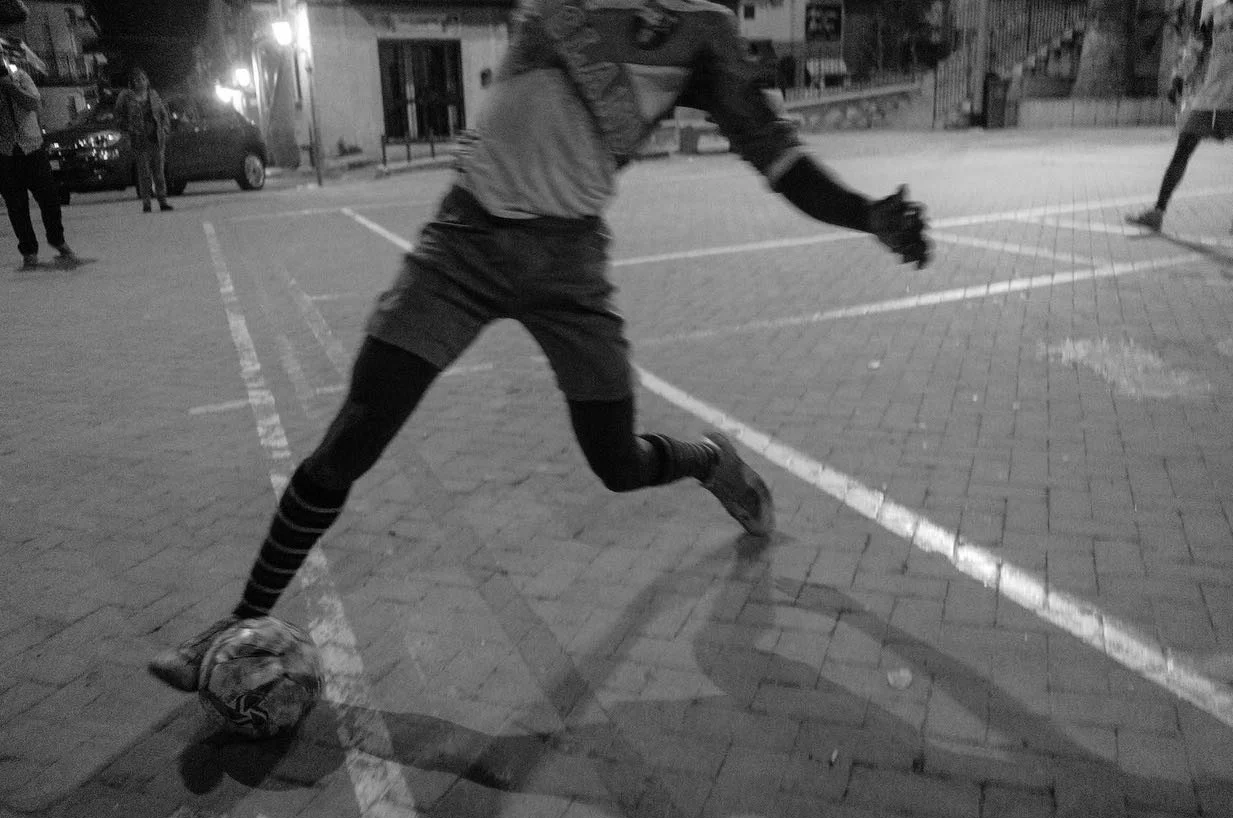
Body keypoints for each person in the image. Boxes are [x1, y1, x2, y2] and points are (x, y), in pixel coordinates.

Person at [148, 0, 931, 691]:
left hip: (569, 264)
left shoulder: (704, 30)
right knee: (351, 438)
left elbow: (782, 163)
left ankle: (708, 460)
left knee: (617, 464)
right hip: (462, 244)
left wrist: (870, 216)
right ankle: (233, 626)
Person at [1127, 0, 1233, 233]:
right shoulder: (1215, 15)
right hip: (1214, 92)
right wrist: (1179, 77)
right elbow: (1196, 46)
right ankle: (1157, 212)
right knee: (1184, 145)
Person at [0, 40, 75, 268]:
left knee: (49, 199)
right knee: (16, 205)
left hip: (32, 148)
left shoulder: (20, 76)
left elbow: (33, 103)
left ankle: (57, 240)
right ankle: (29, 251)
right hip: (5, 152)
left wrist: (10, 86)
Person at [115, 67, 172, 213]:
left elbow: (163, 113)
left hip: (155, 139)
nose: (140, 82)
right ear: (133, 82)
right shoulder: (127, 97)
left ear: (147, 81)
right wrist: (127, 129)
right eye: (137, 80)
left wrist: (165, 128)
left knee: (159, 173)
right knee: (144, 174)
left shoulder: (153, 95)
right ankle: (146, 203)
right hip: (139, 140)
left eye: (142, 79)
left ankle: (162, 200)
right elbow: (118, 116)